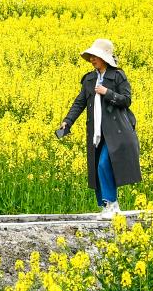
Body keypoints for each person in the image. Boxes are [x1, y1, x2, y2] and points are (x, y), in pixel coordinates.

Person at [55, 37, 140, 218]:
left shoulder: (117, 76)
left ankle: (113, 204)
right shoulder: (89, 79)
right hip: (97, 132)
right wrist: (67, 121)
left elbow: (126, 100)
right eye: (91, 56)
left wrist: (107, 92)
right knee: (97, 167)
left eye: (95, 56)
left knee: (103, 164)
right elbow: (79, 103)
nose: (92, 59)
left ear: (105, 58)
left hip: (116, 131)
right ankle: (106, 205)